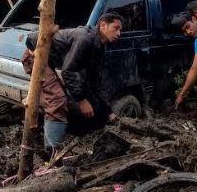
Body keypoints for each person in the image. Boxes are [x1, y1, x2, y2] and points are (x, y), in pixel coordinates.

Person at [22, 13, 123, 150]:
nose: (119, 33)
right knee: (57, 99)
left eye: (121, 30)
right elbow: (68, 71)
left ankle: (50, 135)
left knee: (65, 97)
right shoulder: (85, 38)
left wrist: (108, 111)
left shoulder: (99, 46)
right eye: (116, 28)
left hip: (49, 58)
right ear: (103, 25)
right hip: (36, 53)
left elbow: (95, 80)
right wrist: (81, 101)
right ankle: (52, 151)